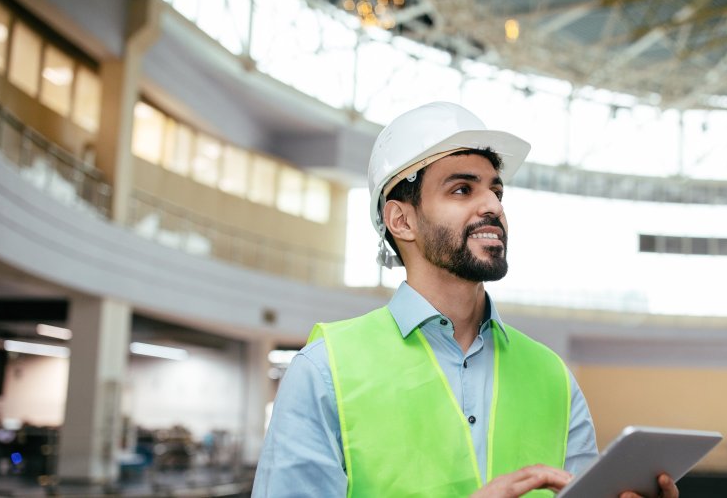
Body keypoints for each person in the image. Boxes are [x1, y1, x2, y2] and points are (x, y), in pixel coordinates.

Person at [252, 102, 679, 498]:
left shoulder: (554, 379)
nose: (492, 204)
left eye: (497, 191)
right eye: (461, 190)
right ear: (401, 219)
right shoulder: (324, 372)